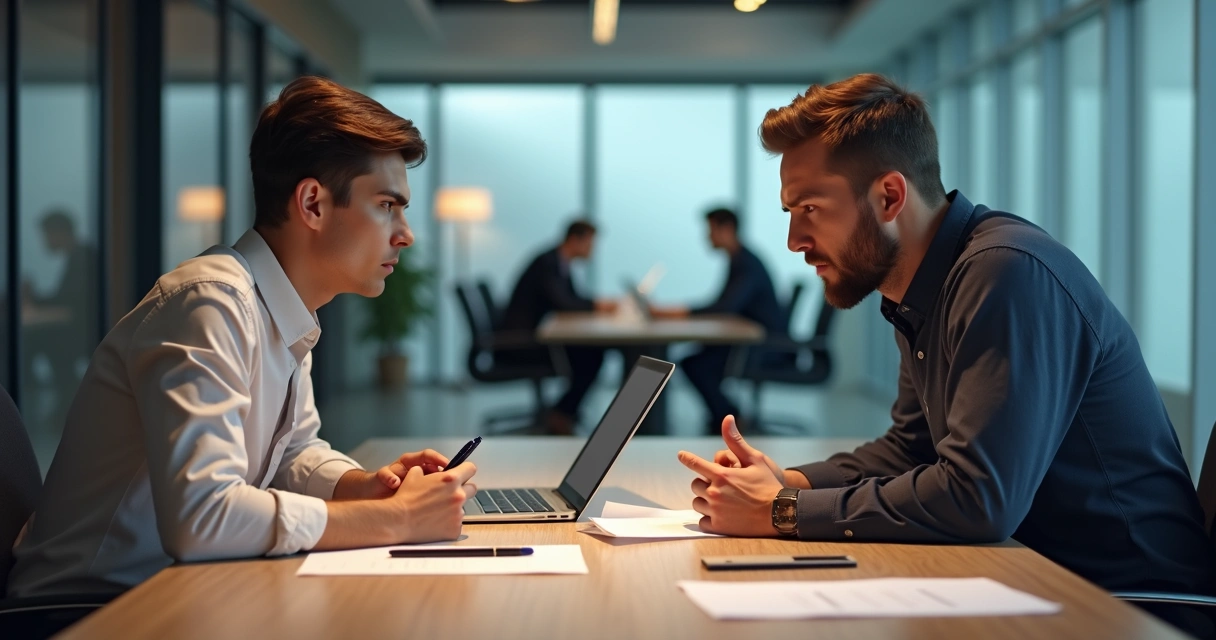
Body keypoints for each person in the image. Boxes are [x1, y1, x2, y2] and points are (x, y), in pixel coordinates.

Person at [677, 74, 1214, 599]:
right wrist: (786, 481)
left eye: (811, 210)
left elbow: (980, 497)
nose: (794, 241)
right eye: (791, 213)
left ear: (889, 197)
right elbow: (910, 450)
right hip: (1036, 576)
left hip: (1136, 602)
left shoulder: (1005, 273)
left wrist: (781, 511)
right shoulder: (922, 286)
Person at [8, 76, 478, 599]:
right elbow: (202, 516)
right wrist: (393, 520)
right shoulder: (209, 302)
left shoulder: (281, 308)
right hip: (87, 610)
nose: (405, 233)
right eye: (387, 205)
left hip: (175, 592)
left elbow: (291, 451)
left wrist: (363, 487)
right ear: (313, 204)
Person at [651, 208, 785, 432]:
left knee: (697, 365)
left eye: (711, 230)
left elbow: (725, 306)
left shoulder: (747, 264)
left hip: (764, 347)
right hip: (751, 342)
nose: (707, 237)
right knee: (697, 360)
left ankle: (730, 420)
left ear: (727, 229)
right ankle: (726, 417)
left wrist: (677, 312)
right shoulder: (738, 260)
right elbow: (724, 305)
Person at [499, 220, 616, 434]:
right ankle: (561, 413)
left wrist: (598, 304)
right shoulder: (548, 263)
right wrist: (598, 305)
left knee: (592, 354)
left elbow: (572, 298)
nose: (592, 250)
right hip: (522, 344)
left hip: (535, 336)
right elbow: (563, 303)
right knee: (592, 357)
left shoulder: (559, 261)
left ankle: (563, 412)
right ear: (575, 240)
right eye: (590, 244)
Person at [21, 211, 99, 404]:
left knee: (31, 340)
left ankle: (30, 400)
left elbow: (70, 302)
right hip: (81, 330)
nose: (45, 241)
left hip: (83, 333)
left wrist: (33, 299)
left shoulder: (81, 257)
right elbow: (65, 298)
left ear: (59, 233)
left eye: (47, 235)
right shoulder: (79, 255)